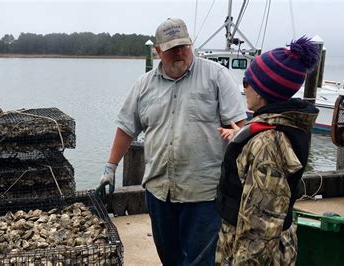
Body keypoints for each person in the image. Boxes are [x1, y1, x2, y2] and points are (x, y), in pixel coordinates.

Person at [96, 18, 246, 265]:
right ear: (157, 51)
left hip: (204, 194)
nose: (179, 53)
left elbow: (238, 126)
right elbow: (126, 128)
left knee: (200, 261)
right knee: (170, 258)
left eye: (183, 46)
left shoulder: (217, 76)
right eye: (171, 48)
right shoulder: (144, 85)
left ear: (191, 43)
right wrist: (109, 168)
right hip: (159, 191)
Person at [215, 36, 320, 265]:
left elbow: (260, 227)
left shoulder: (268, 144)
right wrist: (243, 141)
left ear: (261, 91)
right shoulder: (271, 132)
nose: (243, 89)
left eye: (246, 82)